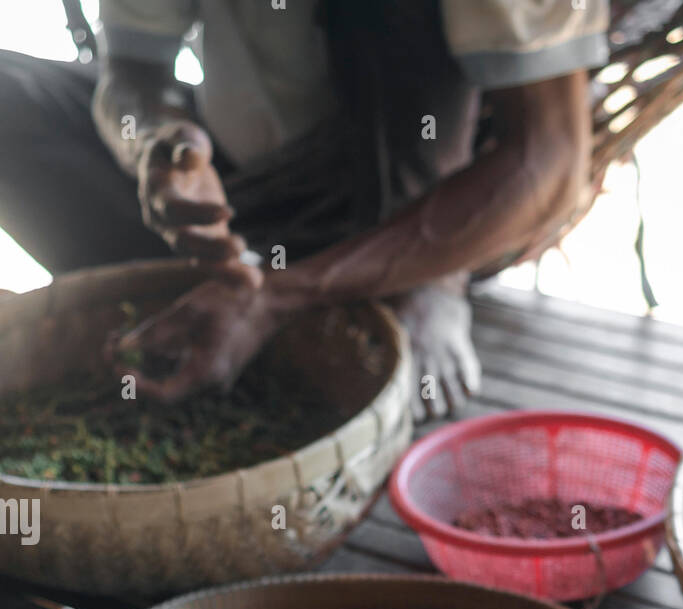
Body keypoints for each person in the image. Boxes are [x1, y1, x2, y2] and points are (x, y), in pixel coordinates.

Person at [0, 0, 608, 417]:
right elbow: (134, 71)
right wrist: (161, 149)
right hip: (242, 188)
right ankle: (236, 285)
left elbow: (548, 159)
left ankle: (416, 278)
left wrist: (277, 295)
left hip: (396, 203)